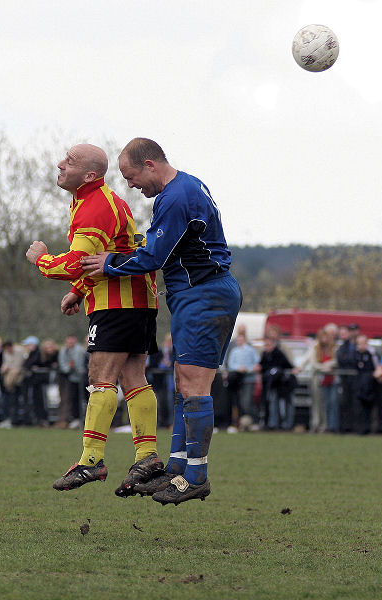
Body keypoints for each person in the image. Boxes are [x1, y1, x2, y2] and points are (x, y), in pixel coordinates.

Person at [82, 138, 242, 505]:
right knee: (183, 383)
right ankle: (176, 468)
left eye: (131, 176)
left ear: (150, 164)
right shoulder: (188, 185)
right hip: (197, 294)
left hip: (204, 294)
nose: (131, 185)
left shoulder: (174, 197)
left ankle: (196, 476)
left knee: (195, 386)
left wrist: (108, 262)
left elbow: (153, 255)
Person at [25, 143, 163, 496]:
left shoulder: (94, 205)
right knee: (134, 378)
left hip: (117, 303)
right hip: (138, 300)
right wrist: (79, 289)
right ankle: (147, 456)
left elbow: (74, 260)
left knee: (101, 378)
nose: (59, 164)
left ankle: (91, 461)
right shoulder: (101, 200)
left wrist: (40, 259)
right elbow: (97, 260)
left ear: (89, 174)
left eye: (68, 161)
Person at [56, 335, 87, 429]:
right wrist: (68, 368)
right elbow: (63, 364)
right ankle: (73, 419)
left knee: (81, 398)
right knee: (70, 399)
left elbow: (79, 364)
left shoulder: (80, 350)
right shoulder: (63, 350)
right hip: (68, 378)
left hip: (80, 378)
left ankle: (81, 419)